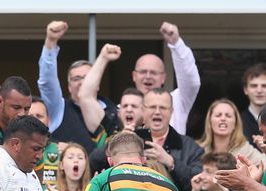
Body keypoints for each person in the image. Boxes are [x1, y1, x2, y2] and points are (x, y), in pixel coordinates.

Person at [38, 21, 117, 153]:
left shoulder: (113, 110)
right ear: (69, 87)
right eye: (76, 79)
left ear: (97, 83)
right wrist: (50, 42)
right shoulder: (59, 108)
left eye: (87, 78)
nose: (82, 83)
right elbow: (47, 83)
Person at [131, 22, 200, 135]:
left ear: (163, 78)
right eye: (143, 72)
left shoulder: (176, 101)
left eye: (153, 72)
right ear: (134, 76)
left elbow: (191, 82)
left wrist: (176, 44)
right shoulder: (125, 107)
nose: (148, 76)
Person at [139, 89, 204, 191]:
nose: (157, 112)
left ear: (171, 111)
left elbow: (201, 185)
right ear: (142, 110)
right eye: (152, 107)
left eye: (163, 108)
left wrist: (172, 163)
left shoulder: (191, 147)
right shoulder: (128, 140)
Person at [196, 99, 266, 170]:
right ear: (210, 122)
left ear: (235, 124)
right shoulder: (197, 150)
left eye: (228, 116)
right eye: (218, 115)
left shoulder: (245, 150)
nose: (223, 118)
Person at [77, 43, 122, 151]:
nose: (129, 109)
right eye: (125, 106)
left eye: (134, 106)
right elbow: (85, 96)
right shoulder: (109, 129)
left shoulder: (164, 136)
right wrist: (103, 58)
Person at [240, 63, 266, 144]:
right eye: (254, 86)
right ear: (245, 90)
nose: (259, 90)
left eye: (265, 86)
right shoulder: (237, 122)